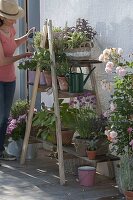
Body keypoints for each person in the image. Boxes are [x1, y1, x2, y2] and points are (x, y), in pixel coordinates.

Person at [0, 0, 34, 160]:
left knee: (4, 116)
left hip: (10, 79)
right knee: (0, 116)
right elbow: (2, 61)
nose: (14, 20)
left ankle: (1, 151)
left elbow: (12, 43)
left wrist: (26, 38)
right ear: (2, 17)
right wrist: (22, 56)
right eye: (11, 17)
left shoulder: (11, 29)